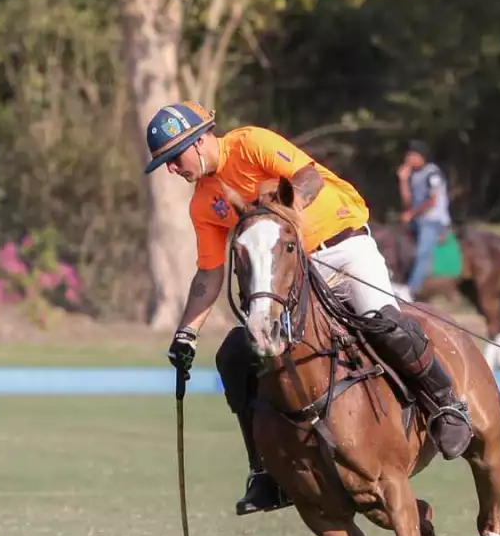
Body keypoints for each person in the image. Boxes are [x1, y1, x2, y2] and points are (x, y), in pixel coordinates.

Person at [146, 102, 474, 514]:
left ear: (198, 141)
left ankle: (446, 404)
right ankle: (265, 471)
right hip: (293, 271)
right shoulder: (203, 204)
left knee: (385, 323)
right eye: (165, 163)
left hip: (343, 247)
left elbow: (308, 177)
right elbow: (210, 273)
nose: (171, 169)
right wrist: (186, 334)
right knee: (234, 355)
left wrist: (285, 214)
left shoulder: (251, 143)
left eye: (174, 158)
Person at [397, 140, 450, 298]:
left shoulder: (433, 174)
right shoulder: (413, 175)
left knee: (423, 252)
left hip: (433, 220)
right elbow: (407, 201)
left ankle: (412, 289)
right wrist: (403, 180)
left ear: (422, 157)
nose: (408, 159)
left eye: (412, 156)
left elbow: (432, 201)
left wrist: (411, 214)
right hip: (416, 219)